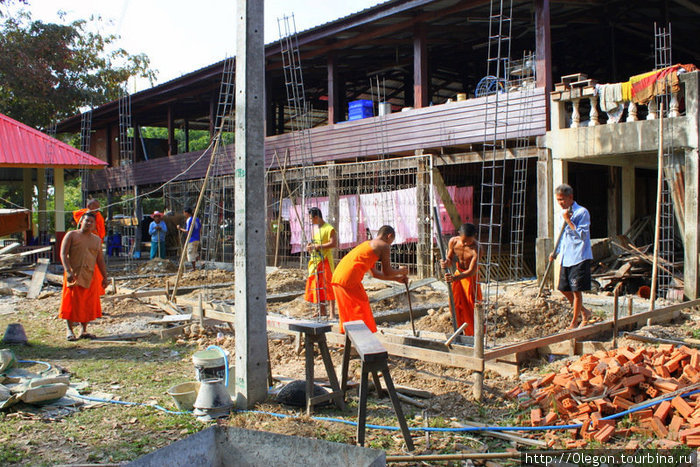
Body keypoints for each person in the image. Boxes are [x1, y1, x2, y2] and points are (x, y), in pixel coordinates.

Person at [331, 225, 408, 333]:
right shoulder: (384, 246)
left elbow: (374, 273)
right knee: (361, 311)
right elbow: (387, 271)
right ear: (389, 236)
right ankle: (363, 340)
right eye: (391, 241)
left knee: (348, 313)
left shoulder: (368, 244)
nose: (390, 245)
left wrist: (396, 279)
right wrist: (401, 271)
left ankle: (348, 342)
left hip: (339, 277)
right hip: (349, 279)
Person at [549, 183, 593, 329]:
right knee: (563, 288)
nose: (560, 203)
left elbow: (582, 235)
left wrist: (569, 221)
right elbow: (563, 236)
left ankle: (575, 322)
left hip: (579, 256)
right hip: (567, 257)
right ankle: (585, 312)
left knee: (576, 291)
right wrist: (555, 252)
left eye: (562, 199)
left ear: (570, 197)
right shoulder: (563, 214)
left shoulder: (582, 212)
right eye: (558, 200)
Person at [58, 212, 108, 341]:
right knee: (71, 301)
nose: (89, 223)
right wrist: (68, 271)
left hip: (90, 275)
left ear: (95, 225)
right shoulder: (72, 235)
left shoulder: (96, 240)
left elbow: (100, 260)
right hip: (73, 274)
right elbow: (63, 254)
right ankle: (69, 330)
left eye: (92, 222)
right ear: (81, 221)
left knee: (87, 303)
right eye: (87, 221)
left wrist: (105, 277)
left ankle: (83, 330)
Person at [440, 223, 482, 336]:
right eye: (463, 241)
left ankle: (473, 335)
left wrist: (454, 278)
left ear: (475, 236)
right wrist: (445, 263)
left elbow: (472, 271)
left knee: (471, 306)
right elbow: (449, 258)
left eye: (468, 241)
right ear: (459, 235)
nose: (465, 244)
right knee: (454, 303)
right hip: (458, 275)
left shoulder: (477, 249)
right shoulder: (453, 241)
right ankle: (459, 331)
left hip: (470, 279)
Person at [304, 207, 337, 318]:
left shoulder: (329, 228)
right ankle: (322, 310)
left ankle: (332, 313)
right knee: (318, 285)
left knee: (328, 285)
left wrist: (318, 246)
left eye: (311, 218)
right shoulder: (316, 229)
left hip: (325, 260)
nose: (310, 221)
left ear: (316, 217)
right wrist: (310, 246)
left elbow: (333, 244)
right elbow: (315, 243)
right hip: (315, 261)